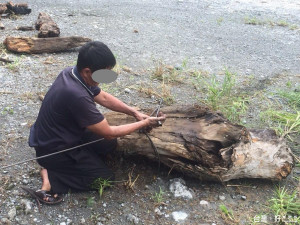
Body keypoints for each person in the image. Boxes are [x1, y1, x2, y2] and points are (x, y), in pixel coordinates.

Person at [23, 41, 166, 204]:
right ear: (87, 71)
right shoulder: (77, 95)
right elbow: (108, 132)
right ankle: (51, 177)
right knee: (105, 178)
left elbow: (103, 97)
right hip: (54, 149)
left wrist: (134, 113)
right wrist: (145, 123)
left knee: (108, 144)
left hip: (60, 134)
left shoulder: (72, 73)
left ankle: (78, 163)